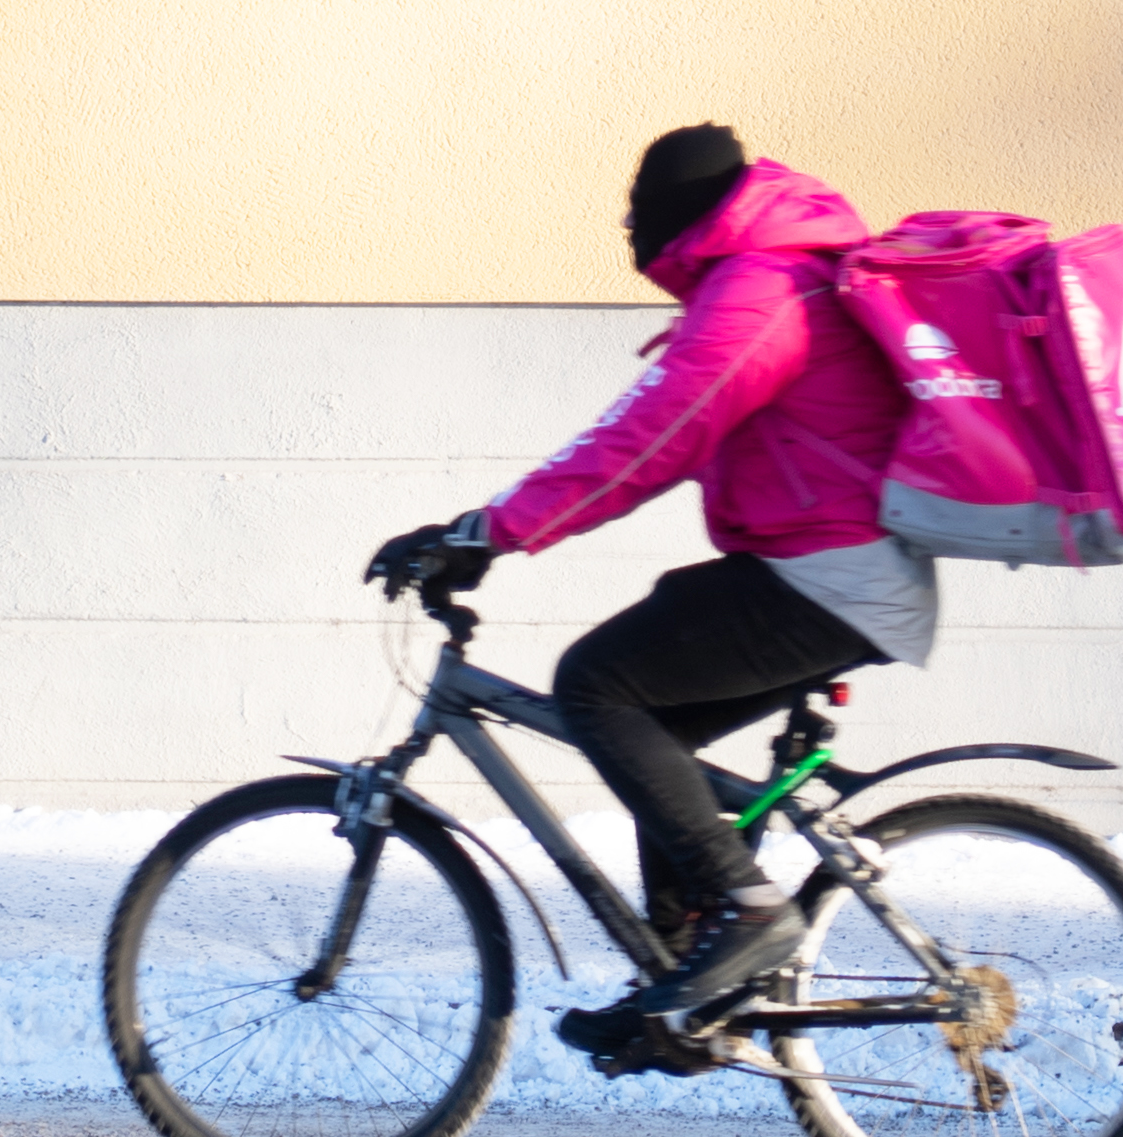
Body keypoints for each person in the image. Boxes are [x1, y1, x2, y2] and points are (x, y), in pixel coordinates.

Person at [366, 125, 935, 1063]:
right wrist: (494, 531)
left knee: (597, 683)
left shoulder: (759, 291)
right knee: (652, 730)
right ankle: (685, 988)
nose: (628, 223)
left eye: (637, 204)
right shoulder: (770, 277)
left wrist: (484, 532)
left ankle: (749, 913)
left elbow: (640, 444)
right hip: (831, 571)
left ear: (681, 209)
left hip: (830, 576)